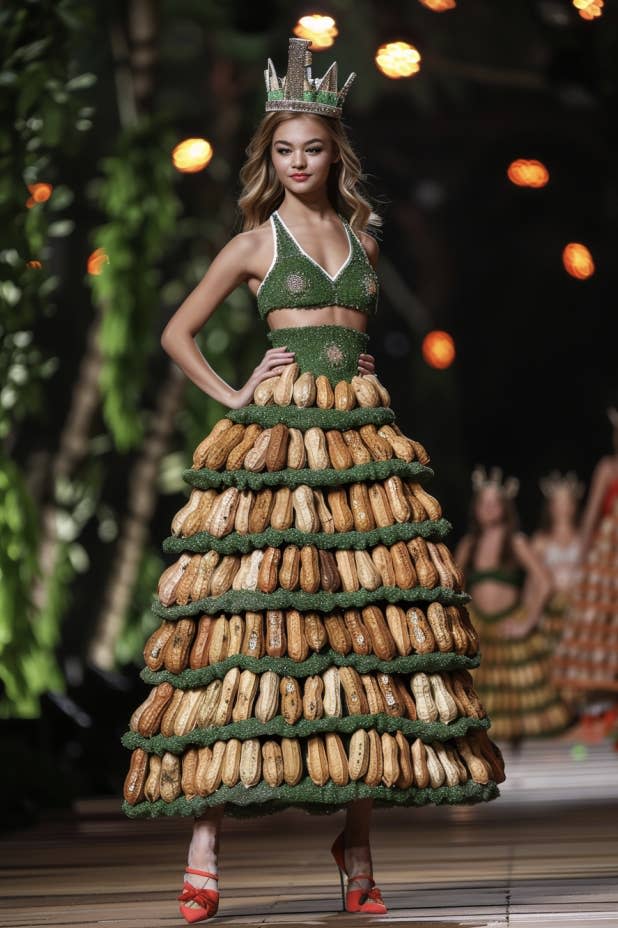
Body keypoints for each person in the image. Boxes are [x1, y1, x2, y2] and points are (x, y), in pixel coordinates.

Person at [121, 38, 505, 924]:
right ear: (270, 157)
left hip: (360, 442)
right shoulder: (255, 241)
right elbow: (178, 333)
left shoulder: (366, 234)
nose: (299, 164)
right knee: (243, 638)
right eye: (284, 151)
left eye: (314, 149)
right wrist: (236, 389)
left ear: (335, 153)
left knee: (365, 642)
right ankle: (204, 844)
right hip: (280, 442)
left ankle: (357, 845)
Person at [455, 467, 572, 744]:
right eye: (484, 502)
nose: (489, 508)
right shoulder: (470, 544)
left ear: (505, 507)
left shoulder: (515, 541)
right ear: (476, 508)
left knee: (519, 690)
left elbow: (544, 581)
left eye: (495, 502)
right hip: (479, 624)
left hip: (509, 622)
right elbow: (454, 584)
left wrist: (529, 620)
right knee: (480, 690)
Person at [554, 409, 618, 698]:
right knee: (601, 626)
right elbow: (592, 514)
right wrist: (581, 560)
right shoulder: (608, 467)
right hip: (609, 551)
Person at [532, 471, 584, 644]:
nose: (563, 508)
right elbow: (532, 582)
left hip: (580, 613)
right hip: (549, 614)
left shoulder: (584, 539)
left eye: (567, 503)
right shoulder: (540, 541)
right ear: (550, 507)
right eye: (558, 503)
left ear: (574, 506)